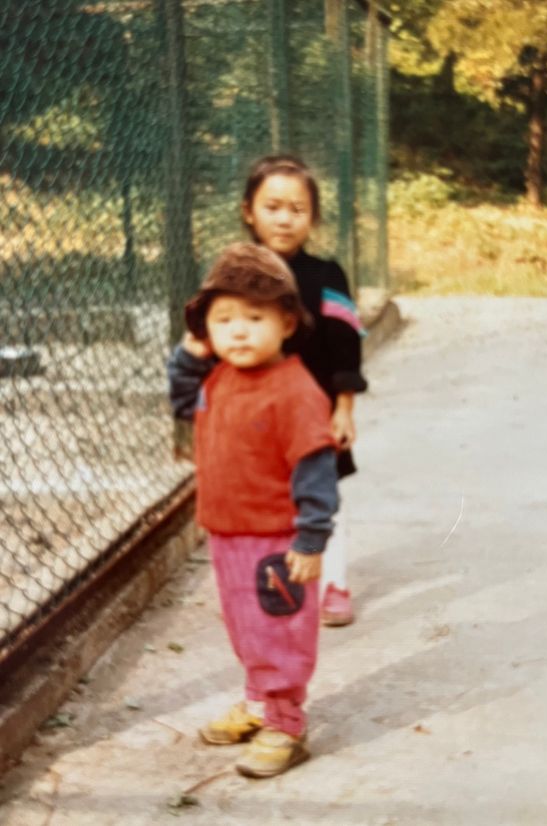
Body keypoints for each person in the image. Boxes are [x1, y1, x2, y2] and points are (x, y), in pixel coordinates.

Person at [167, 242, 339, 778]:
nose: (238, 331)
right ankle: (259, 700)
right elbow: (181, 401)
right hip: (228, 535)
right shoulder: (220, 377)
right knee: (246, 627)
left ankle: (286, 722)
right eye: (224, 320)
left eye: (254, 317)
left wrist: (311, 540)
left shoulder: (294, 391)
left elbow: (316, 473)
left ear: (286, 323)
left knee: (279, 630)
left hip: (277, 541)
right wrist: (189, 355)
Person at [241, 154, 368, 627]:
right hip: (254, 412)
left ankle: (333, 583)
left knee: (322, 492)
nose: (284, 218)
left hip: (313, 410)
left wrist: (344, 407)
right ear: (248, 211)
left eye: (297, 209)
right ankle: (266, 580)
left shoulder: (326, 276)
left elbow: (346, 344)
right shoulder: (236, 273)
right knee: (265, 497)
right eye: (272, 206)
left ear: (312, 218)